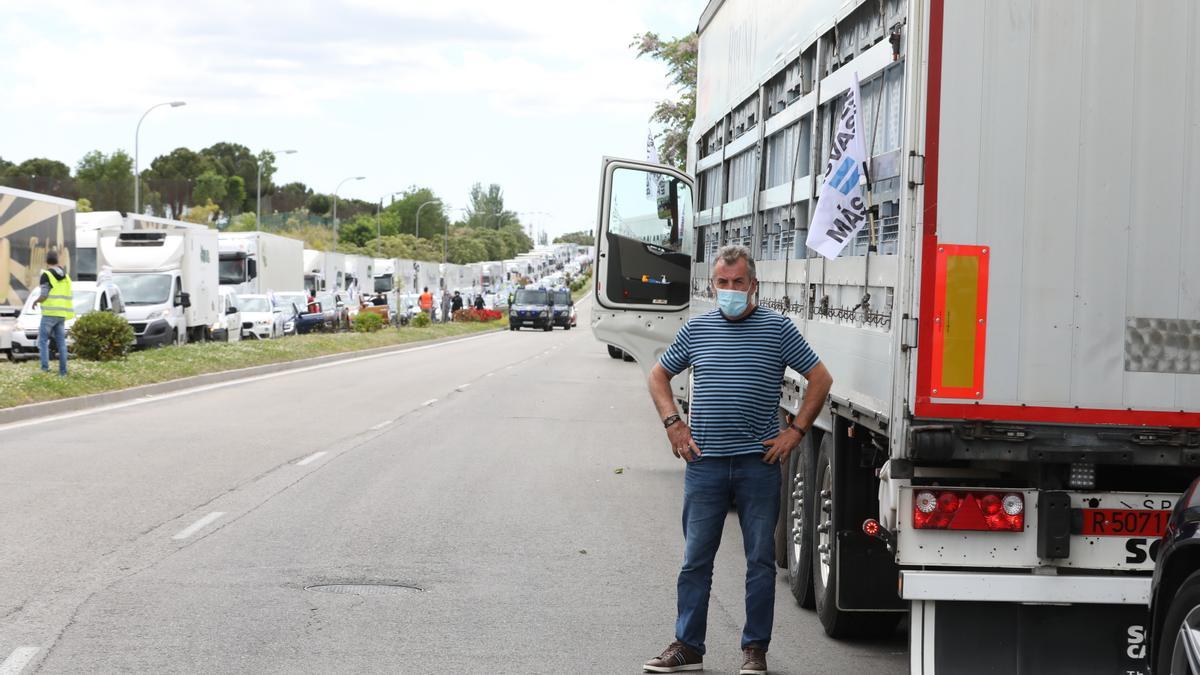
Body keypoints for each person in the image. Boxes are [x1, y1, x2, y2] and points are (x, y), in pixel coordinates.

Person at [642, 245, 833, 675]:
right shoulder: (698, 330)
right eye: (722, 283)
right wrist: (674, 423)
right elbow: (658, 375)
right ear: (713, 285)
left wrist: (796, 432)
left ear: (753, 285)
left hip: (757, 466)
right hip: (705, 463)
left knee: (760, 561)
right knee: (695, 560)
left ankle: (754, 650)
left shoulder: (778, 329)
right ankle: (687, 646)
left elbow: (820, 378)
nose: (730, 290)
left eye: (738, 282)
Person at [30, 249, 72, 376]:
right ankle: (63, 373)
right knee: (61, 344)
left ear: (46, 262)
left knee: (42, 341)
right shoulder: (66, 276)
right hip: (61, 314)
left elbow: (44, 295)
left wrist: (36, 301)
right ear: (57, 261)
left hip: (49, 314)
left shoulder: (46, 275)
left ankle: (44, 369)